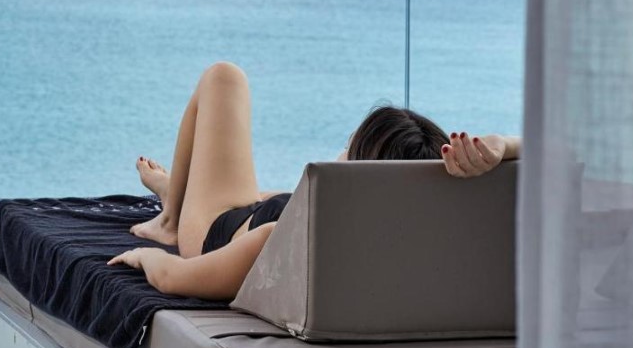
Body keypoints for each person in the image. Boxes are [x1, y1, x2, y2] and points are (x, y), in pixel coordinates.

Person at [107, 61, 521, 301]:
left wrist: (142, 257)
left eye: (346, 146)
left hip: (220, 224)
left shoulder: (281, 241)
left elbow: (173, 276)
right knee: (284, 195)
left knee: (223, 77)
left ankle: (170, 217)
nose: (337, 153)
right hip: (276, 208)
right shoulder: (420, 234)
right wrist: (501, 147)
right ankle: (178, 189)